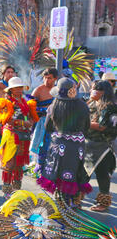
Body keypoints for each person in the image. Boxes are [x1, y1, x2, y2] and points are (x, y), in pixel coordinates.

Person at [36, 78, 92, 207]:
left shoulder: (53, 106)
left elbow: (48, 127)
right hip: (78, 145)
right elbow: (86, 127)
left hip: (59, 144)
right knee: (75, 171)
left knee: (59, 171)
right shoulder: (83, 106)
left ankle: (62, 202)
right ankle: (73, 200)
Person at [0, 77, 39, 198]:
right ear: (11, 90)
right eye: (16, 88)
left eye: (20, 87)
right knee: (10, 163)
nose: (19, 90)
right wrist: (23, 123)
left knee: (19, 163)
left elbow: (29, 116)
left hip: (23, 135)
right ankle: (7, 190)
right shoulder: (6, 102)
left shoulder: (24, 101)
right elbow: (7, 120)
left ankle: (16, 189)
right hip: (12, 135)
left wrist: (30, 121)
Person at [85, 80, 117, 211]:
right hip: (90, 144)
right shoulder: (91, 102)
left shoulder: (109, 106)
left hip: (103, 146)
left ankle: (103, 203)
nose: (91, 91)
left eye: (94, 89)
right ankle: (76, 197)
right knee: (83, 173)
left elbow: (102, 126)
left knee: (102, 174)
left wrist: (85, 123)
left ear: (102, 92)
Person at [29, 68, 58, 169]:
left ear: (55, 78)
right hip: (41, 123)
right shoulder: (38, 90)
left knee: (54, 145)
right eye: (45, 78)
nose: (46, 80)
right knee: (41, 144)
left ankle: (51, 167)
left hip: (55, 123)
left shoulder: (58, 90)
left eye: (49, 78)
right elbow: (30, 108)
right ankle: (39, 166)